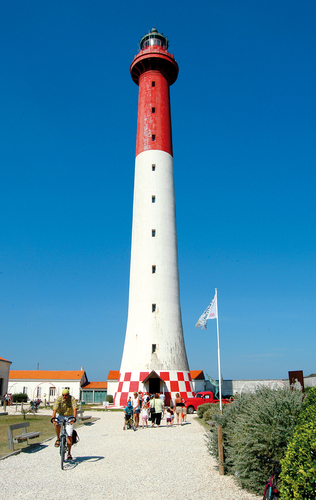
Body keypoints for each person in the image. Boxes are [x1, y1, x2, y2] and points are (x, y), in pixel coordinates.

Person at [52, 389, 78, 460]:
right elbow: (55, 409)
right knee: (57, 424)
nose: (64, 397)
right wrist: (53, 418)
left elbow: (75, 409)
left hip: (69, 416)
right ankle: (58, 438)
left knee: (69, 435)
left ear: (68, 394)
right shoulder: (59, 399)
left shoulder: (72, 399)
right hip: (61, 415)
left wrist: (74, 418)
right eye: (63, 395)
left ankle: (69, 453)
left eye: (66, 395)